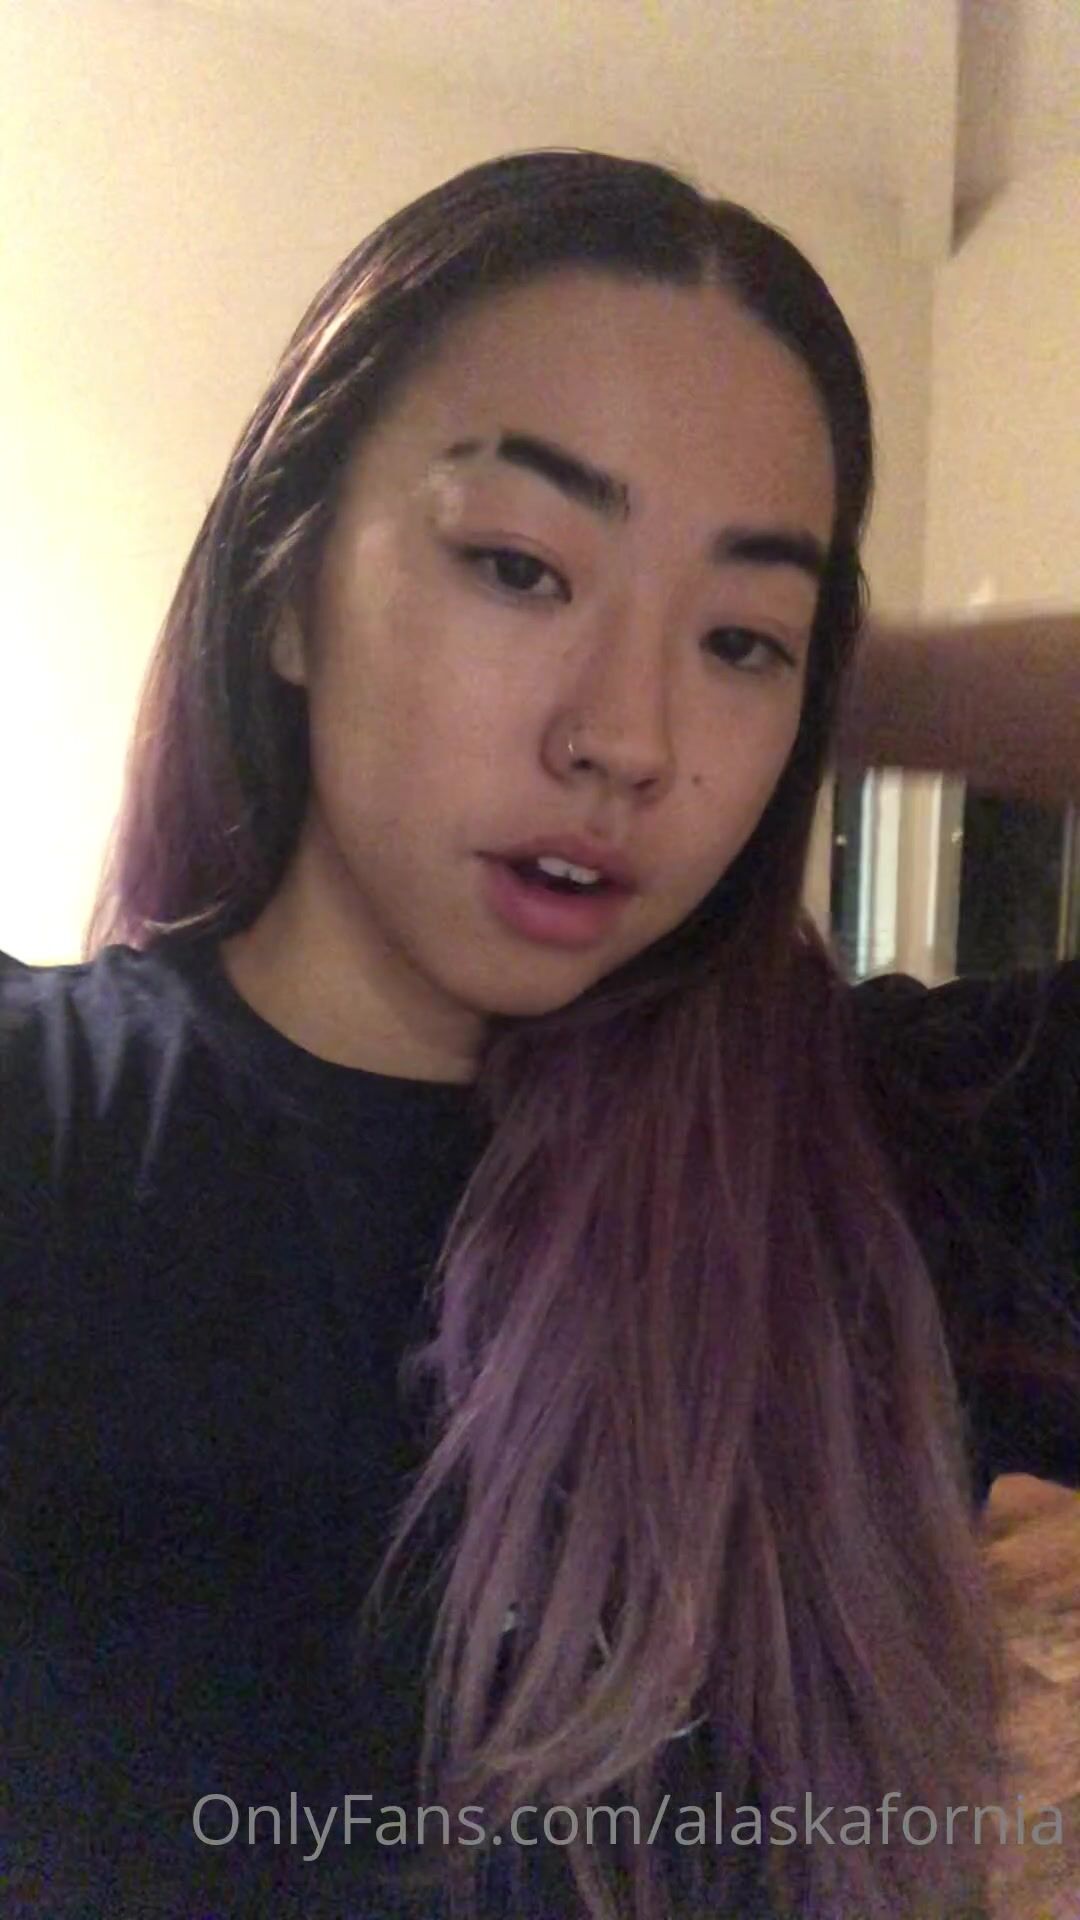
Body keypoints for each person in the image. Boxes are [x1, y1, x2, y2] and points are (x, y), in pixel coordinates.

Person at [0, 148, 1076, 1920]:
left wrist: (843, 683)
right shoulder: (53, 1140)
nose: (627, 737)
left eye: (738, 640)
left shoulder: (889, 1164)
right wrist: (742, 645)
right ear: (283, 588)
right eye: (519, 566)